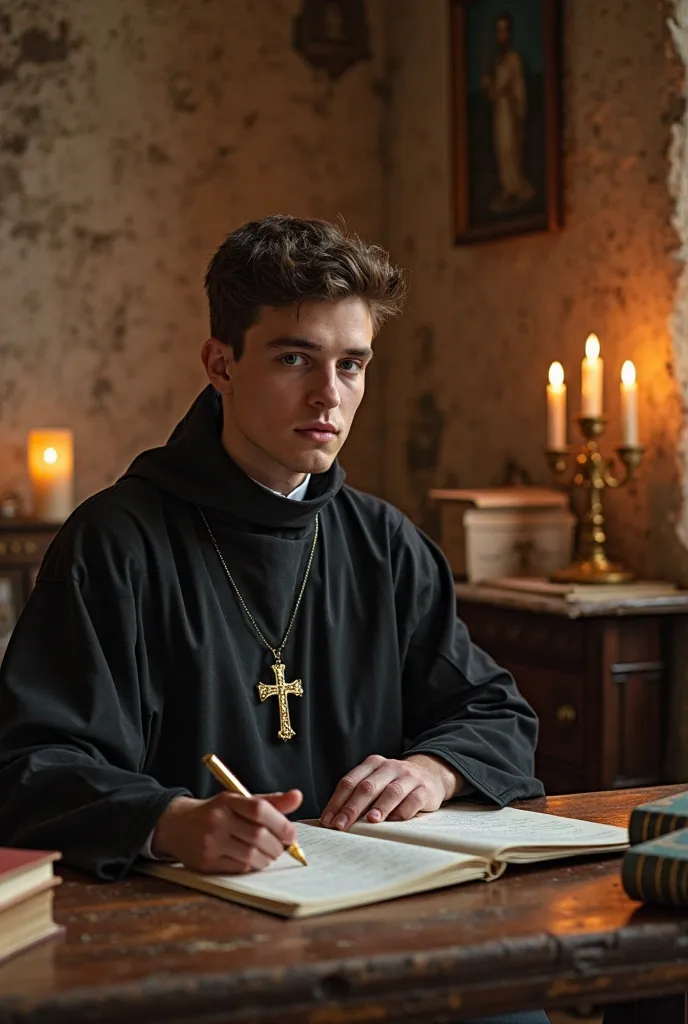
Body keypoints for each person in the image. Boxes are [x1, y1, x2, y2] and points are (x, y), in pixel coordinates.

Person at [0, 215, 548, 1024]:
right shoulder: (115, 543)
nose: (330, 394)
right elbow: (26, 764)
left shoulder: (387, 544)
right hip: (185, 943)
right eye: (296, 358)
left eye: (352, 364)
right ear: (220, 363)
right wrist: (172, 822)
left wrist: (432, 772)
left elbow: (495, 713)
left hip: (383, 927)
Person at [482, 11, 535, 213]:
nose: (501, 35)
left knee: (510, 147)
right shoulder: (498, 61)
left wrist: (519, 110)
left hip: (510, 111)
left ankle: (517, 185)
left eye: (504, 30)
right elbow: (494, 92)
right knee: (501, 148)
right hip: (500, 111)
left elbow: (514, 87)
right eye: (498, 30)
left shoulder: (513, 60)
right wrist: (489, 86)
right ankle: (507, 185)